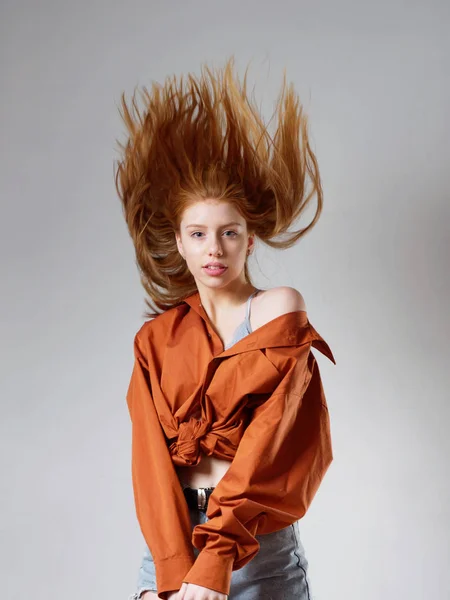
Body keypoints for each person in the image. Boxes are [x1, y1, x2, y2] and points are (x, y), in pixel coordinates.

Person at [114, 56, 336, 600]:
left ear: (250, 238)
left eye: (229, 232)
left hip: (253, 542)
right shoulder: (157, 339)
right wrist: (171, 565)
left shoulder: (278, 310)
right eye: (198, 234)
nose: (214, 249)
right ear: (180, 243)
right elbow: (149, 459)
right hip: (171, 538)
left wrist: (215, 561)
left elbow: (272, 443)